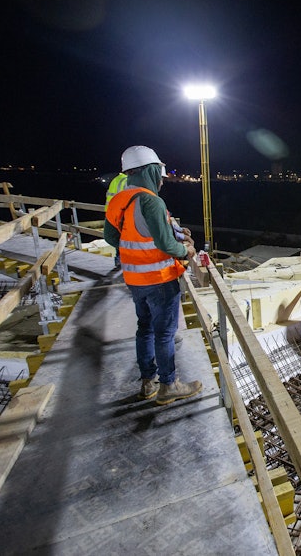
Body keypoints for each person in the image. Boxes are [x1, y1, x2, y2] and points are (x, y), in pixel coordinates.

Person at [104, 145, 201, 406]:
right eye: (159, 173)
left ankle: (148, 382)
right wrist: (186, 249)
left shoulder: (119, 200)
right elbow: (166, 245)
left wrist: (135, 251)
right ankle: (169, 384)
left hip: (134, 279)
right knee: (165, 333)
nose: (161, 179)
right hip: (159, 279)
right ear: (149, 171)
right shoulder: (151, 201)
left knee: (144, 329)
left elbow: (111, 237)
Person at [105, 172, 129, 269]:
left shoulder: (115, 180)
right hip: (121, 214)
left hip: (110, 212)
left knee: (117, 237)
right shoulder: (127, 181)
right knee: (124, 238)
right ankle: (125, 260)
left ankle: (118, 259)